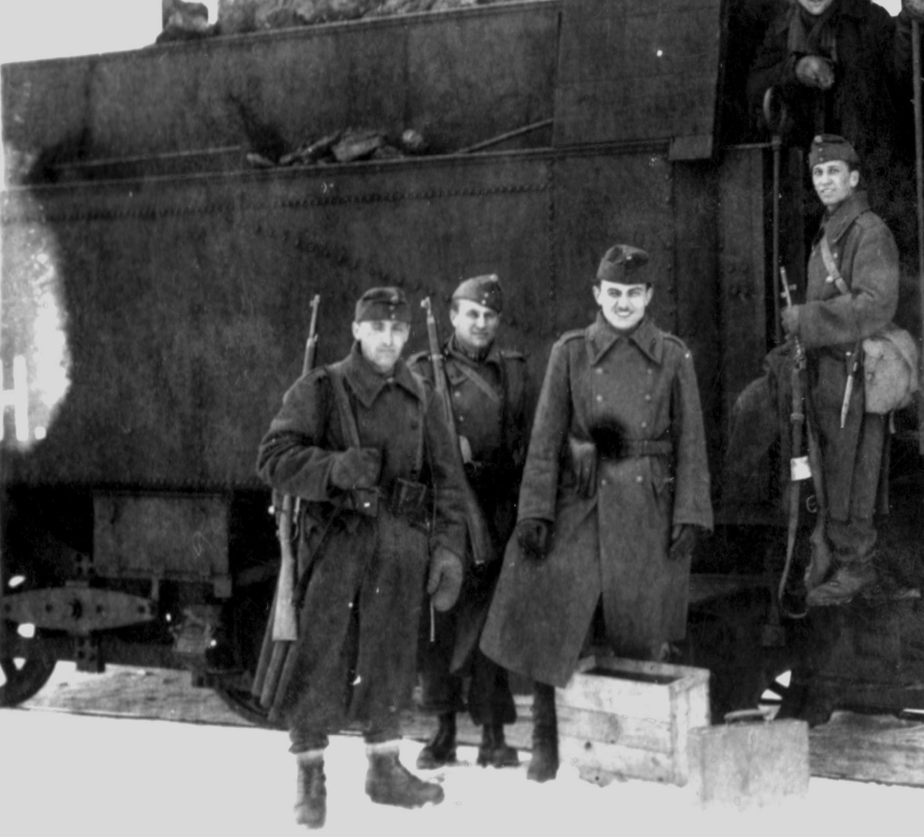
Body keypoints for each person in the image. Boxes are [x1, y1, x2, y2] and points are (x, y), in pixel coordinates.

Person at [480, 245, 712, 783]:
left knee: (638, 629)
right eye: (614, 293)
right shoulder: (571, 352)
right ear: (597, 295)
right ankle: (545, 738)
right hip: (578, 504)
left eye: (634, 293)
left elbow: (691, 441)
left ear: (649, 296)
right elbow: (544, 437)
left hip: (647, 504)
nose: (624, 303)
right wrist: (535, 511)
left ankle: (630, 746)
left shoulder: (674, 355)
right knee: (555, 619)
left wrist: (690, 513)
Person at [257, 287, 470, 828]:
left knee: (391, 654)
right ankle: (309, 777)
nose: (388, 339)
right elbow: (273, 457)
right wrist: (334, 470)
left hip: (401, 543)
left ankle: (385, 770)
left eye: (397, 331)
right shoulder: (322, 388)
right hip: (335, 540)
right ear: (356, 330)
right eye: (377, 328)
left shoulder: (421, 394)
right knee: (319, 653)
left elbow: (448, 481)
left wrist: (446, 548)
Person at [410, 275, 534, 770]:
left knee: (491, 629)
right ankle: (441, 732)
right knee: (438, 625)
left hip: (496, 512)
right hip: (443, 517)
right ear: (454, 315)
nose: (480, 324)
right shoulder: (421, 371)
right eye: (471, 314)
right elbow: (402, 441)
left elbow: (526, 443)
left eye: (489, 316)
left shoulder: (514, 372)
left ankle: (493, 734)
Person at [746, 0, 924, 252]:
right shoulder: (778, 32)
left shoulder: (869, 19)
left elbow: (902, 75)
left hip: (871, 164)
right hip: (809, 174)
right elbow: (755, 87)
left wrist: (908, 24)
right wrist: (796, 69)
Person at [782, 134, 900, 606]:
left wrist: (807, 320)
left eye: (834, 172)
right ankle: (836, 559)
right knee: (832, 468)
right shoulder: (833, 227)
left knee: (854, 471)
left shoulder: (868, 231)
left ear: (854, 179)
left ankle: (857, 567)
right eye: (818, 173)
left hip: (852, 374)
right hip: (829, 371)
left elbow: (876, 305)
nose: (825, 180)